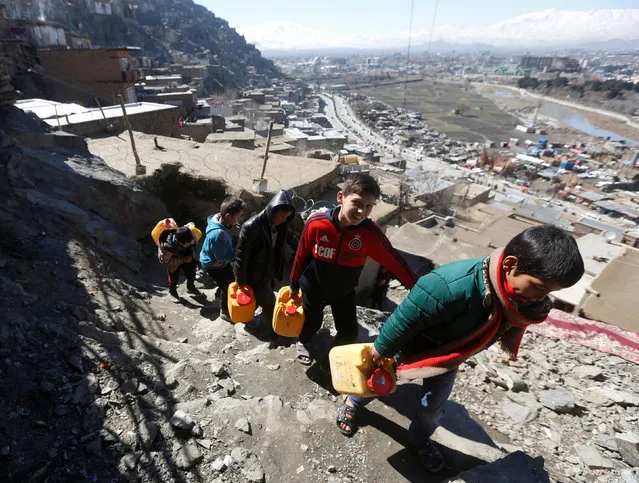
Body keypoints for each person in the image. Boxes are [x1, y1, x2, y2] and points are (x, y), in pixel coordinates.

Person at [335, 225, 584, 473]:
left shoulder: (513, 300)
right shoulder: (448, 285)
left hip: (447, 358)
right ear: (510, 265)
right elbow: (405, 318)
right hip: (411, 344)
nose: (542, 298)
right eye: (539, 287)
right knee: (375, 379)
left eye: (549, 292)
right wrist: (381, 350)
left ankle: (419, 439)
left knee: (432, 409)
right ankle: (353, 401)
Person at [289, 173, 417, 366]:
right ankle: (303, 341)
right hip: (313, 288)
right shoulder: (317, 223)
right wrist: (293, 283)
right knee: (311, 323)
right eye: (356, 203)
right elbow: (301, 254)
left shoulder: (370, 234)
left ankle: (330, 360)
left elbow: (395, 261)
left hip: (343, 292)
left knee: (349, 332)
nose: (361, 212)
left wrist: (416, 289)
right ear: (340, 197)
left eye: (368, 206)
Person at [233, 190, 296, 340]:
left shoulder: (281, 225)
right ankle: (276, 331)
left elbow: (291, 239)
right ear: (272, 210)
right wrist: (240, 281)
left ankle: (247, 319)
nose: (282, 219)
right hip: (255, 273)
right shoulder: (251, 227)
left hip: (269, 269)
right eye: (281, 215)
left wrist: (305, 251)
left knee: (256, 299)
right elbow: (241, 256)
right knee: (270, 304)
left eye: (286, 217)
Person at [200, 197, 245, 321]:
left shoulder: (217, 220)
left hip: (210, 258)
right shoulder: (218, 234)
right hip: (214, 265)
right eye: (238, 216)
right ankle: (224, 311)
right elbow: (221, 256)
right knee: (229, 285)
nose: (239, 219)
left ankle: (218, 294)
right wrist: (235, 253)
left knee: (228, 277)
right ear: (228, 216)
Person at [157, 226, 199, 299]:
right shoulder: (166, 248)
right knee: (174, 278)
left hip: (186, 257)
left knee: (192, 272)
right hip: (173, 263)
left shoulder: (189, 236)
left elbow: (193, 245)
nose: (190, 243)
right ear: (178, 241)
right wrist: (182, 259)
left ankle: (191, 287)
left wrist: (190, 256)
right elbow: (165, 261)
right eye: (187, 243)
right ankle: (172, 291)